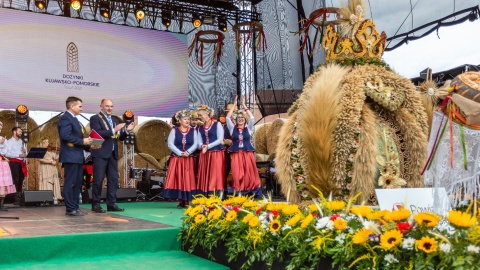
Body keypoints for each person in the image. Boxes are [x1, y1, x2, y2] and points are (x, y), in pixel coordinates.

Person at [89, 98, 134, 213]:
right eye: (107, 106)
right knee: (98, 180)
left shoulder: (113, 119)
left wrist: (126, 131)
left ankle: (111, 203)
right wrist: (114, 129)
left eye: (111, 106)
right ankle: (96, 204)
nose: (109, 108)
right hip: (100, 153)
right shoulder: (95, 118)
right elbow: (97, 133)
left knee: (113, 179)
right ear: (101, 106)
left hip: (112, 154)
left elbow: (119, 137)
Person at [58, 96, 96, 216]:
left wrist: (89, 146)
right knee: (70, 183)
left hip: (77, 156)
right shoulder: (65, 118)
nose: (81, 108)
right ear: (72, 106)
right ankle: (70, 208)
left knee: (77, 183)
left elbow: (78, 140)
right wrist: (83, 141)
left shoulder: (74, 119)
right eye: (80, 106)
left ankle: (75, 206)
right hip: (70, 156)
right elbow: (65, 136)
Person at [225, 97, 262, 197]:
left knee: (249, 172)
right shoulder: (232, 129)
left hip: (247, 153)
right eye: (238, 119)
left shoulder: (248, 128)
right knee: (237, 174)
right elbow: (228, 118)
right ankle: (239, 190)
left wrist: (245, 106)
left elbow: (252, 118)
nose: (240, 120)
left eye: (242, 119)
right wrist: (234, 105)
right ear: (236, 120)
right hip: (237, 154)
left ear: (244, 120)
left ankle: (251, 190)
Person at [162, 110, 198, 208]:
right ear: (180, 121)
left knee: (188, 178)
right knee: (179, 178)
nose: (187, 121)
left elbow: (196, 143)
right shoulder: (174, 131)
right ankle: (180, 200)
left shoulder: (193, 131)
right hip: (177, 159)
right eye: (185, 119)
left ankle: (186, 200)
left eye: (188, 119)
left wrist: (188, 152)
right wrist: (180, 153)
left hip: (189, 158)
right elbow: (170, 144)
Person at [196, 104, 225, 197]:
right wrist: (202, 146)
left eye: (201, 115)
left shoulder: (217, 124)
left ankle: (216, 194)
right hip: (205, 154)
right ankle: (205, 193)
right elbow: (198, 141)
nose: (199, 117)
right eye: (199, 115)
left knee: (215, 173)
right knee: (205, 173)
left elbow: (220, 139)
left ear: (207, 114)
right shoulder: (200, 128)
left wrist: (207, 146)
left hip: (216, 153)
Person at [5, 127, 27, 204]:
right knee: (15, 180)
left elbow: (24, 153)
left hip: (21, 162)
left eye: (21, 131)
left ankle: (19, 198)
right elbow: (7, 153)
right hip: (14, 162)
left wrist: (25, 152)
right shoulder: (9, 142)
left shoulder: (21, 142)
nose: (21, 133)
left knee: (21, 179)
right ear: (14, 132)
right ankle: (12, 198)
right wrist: (18, 154)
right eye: (19, 131)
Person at [0, 121, 16, 209]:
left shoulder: (4, 139)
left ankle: (1, 204)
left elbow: (5, 152)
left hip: (2, 163)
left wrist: (2, 143)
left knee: (3, 184)